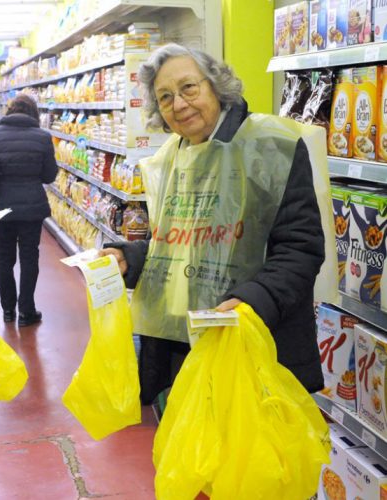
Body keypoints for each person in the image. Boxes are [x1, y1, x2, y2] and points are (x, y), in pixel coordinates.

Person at [101, 43, 326, 406]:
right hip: (181, 348)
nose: (179, 104)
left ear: (215, 86)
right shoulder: (174, 156)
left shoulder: (269, 147)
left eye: (189, 87)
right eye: (165, 97)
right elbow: (181, 241)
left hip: (254, 344)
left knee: (246, 458)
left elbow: (301, 248)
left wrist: (251, 301)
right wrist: (133, 258)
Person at [0, 94, 58, 327]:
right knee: (30, 257)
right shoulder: (43, 137)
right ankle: (26, 311)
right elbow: (49, 175)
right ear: (34, 114)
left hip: (1, 207)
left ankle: (8, 310)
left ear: (9, 111)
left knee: (4, 257)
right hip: (32, 207)